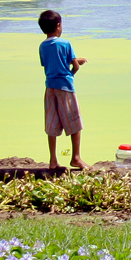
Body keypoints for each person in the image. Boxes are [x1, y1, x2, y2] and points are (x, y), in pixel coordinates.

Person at [37, 9, 87, 170]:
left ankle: (53, 160)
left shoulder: (42, 46)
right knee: (75, 122)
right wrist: (71, 73)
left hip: (50, 87)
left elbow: (50, 64)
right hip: (66, 87)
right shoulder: (65, 43)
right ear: (59, 25)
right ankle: (76, 158)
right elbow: (76, 66)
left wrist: (70, 62)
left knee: (52, 123)